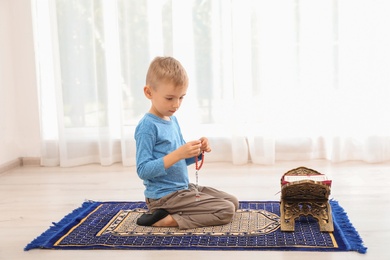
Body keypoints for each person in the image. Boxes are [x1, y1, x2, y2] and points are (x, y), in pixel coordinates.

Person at [134, 56, 239, 229]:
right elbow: (143, 170)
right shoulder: (147, 126)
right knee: (226, 210)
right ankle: (167, 219)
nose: (176, 104)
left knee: (233, 202)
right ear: (149, 92)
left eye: (181, 97)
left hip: (182, 189)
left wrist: (197, 151)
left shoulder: (171, 120)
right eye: (169, 98)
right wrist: (178, 153)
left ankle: (179, 211)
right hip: (164, 197)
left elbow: (180, 160)